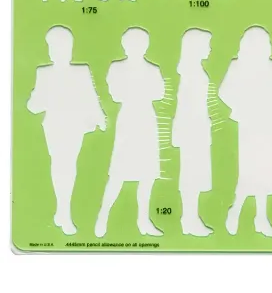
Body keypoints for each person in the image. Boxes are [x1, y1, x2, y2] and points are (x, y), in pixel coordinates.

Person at [27, 26, 105, 235]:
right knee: (61, 164)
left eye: (66, 47)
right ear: (50, 50)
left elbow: (91, 97)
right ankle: (63, 212)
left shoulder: (81, 72)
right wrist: (38, 96)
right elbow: (34, 106)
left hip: (74, 126)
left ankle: (62, 212)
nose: (62, 51)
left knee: (68, 165)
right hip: (54, 126)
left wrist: (99, 118)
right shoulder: (44, 74)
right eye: (57, 48)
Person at [219, 27, 272, 237]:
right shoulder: (238, 66)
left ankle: (260, 218)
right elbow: (224, 92)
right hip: (249, 125)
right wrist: (243, 106)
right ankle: (236, 211)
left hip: (268, 125)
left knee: (265, 171)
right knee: (250, 172)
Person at [95, 28, 164, 237]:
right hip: (128, 121)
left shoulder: (153, 69)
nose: (136, 48)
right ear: (125, 46)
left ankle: (143, 221)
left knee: (147, 175)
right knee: (118, 173)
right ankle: (102, 217)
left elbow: (159, 93)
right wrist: (139, 92)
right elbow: (116, 94)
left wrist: (135, 92)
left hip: (146, 121)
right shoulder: (116, 68)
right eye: (132, 44)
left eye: (141, 43)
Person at [173, 29, 213, 236]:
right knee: (191, 174)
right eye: (207, 44)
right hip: (192, 130)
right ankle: (189, 218)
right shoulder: (191, 74)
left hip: (196, 128)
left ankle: (190, 217)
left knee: (195, 174)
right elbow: (185, 105)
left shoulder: (195, 71)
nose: (210, 49)